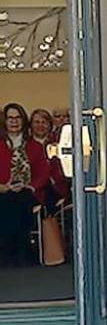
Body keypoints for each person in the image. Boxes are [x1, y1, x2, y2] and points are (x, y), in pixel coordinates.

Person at [0, 103, 50, 266]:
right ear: (5, 121)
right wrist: (4, 186)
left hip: (29, 192)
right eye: (10, 118)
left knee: (18, 198)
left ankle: (15, 248)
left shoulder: (34, 146)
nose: (14, 122)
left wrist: (30, 186)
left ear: (23, 120)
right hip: (3, 191)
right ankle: (16, 248)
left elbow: (44, 173)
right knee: (8, 199)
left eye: (18, 117)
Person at [30, 108, 71, 213]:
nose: (40, 126)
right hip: (33, 188)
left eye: (44, 122)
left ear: (50, 124)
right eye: (37, 122)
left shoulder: (59, 142)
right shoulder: (26, 145)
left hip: (58, 187)